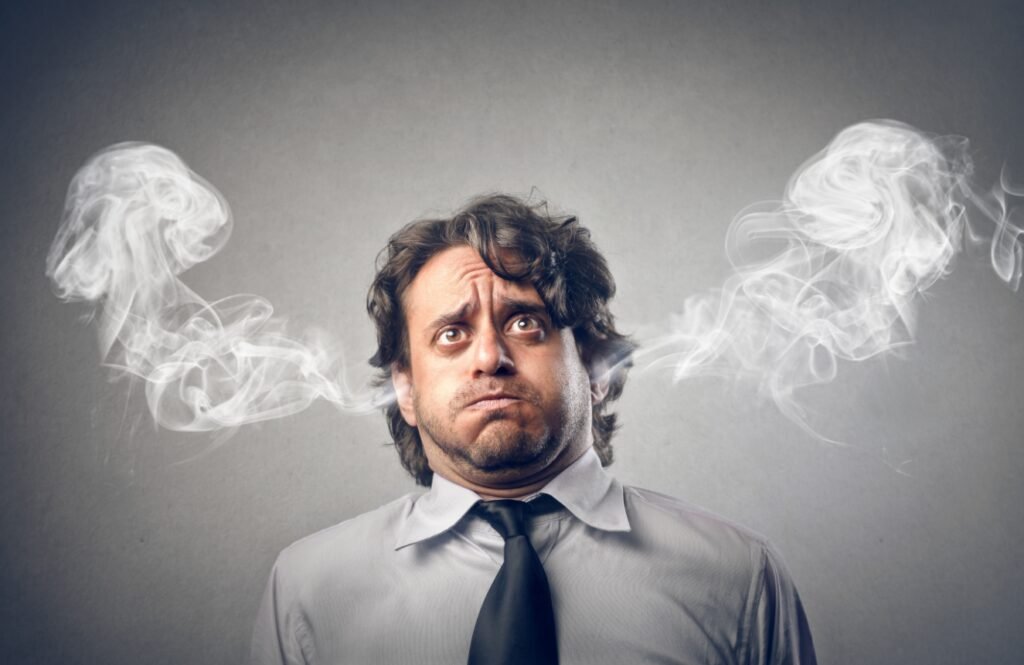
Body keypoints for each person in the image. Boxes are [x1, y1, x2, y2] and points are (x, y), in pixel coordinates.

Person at [250, 194, 817, 664]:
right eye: (451, 334)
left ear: (595, 367)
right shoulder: (308, 589)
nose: (490, 356)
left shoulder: (739, 576)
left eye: (525, 322)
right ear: (405, 389)